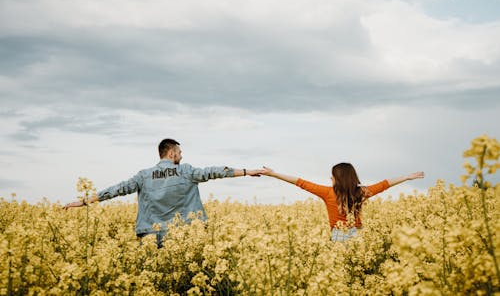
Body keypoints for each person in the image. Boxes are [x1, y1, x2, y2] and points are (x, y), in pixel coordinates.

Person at [64, 138, 264, 247]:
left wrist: (84, 201)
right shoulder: (186, 171)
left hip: (150, 235)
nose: (181, 156)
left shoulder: (143, 176)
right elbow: (216, 172)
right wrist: (247, 171)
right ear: (171, 153)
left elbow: (116, 190)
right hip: (184, 234)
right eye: (179, 153)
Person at [261, 163, 424, 242]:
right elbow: (385, 184)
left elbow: (300, 182)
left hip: (338, 236)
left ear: (337, 178)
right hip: (359, 234)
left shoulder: (327, 193)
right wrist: (406, 177)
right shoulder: (361, 192)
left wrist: (274, 174)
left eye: (332, 176)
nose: (330, 178)